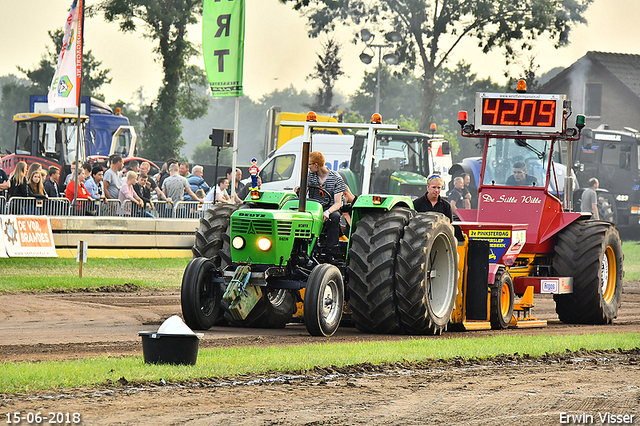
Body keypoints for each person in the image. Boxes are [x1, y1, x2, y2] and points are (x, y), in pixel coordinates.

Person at [297, 151, 347, 258]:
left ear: (316, 165)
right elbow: (304, 193)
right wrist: (299, 191)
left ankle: (331, 250)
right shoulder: (311, 176)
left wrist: (327, 212)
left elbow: (338, 203)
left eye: (309, 164)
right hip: (314, 208)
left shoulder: (336, 179)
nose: (308, 167)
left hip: (330, 208)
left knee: (335, 217)